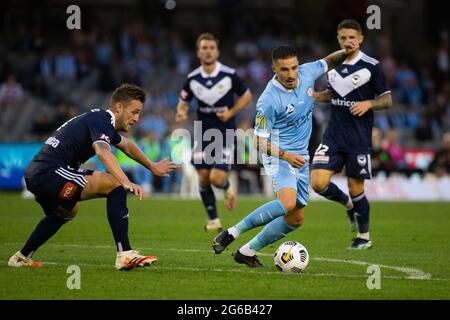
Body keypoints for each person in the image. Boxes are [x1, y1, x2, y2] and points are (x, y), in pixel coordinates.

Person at [212, 42, 359, 268]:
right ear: (274, 69)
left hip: (300, 155)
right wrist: (286, 156)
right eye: (284, 69)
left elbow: (329, 61)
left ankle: (247, 251)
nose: (291, 74)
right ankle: (231, 233)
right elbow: (259, 141)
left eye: (294, 68)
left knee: (295, 218)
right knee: (286, 202)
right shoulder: (267, 101)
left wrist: (348, 51)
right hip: (277, 153)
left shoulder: (308, 72)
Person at [8, 84, 178, 270]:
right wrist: (125, 181)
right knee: (114, 185)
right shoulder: (101, 119)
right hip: (49, 173)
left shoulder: (102, 122)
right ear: (119, 107)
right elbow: (103, 153)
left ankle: (22, 257)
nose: (137, 119)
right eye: (134, 112)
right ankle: (125, 254)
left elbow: (127, 145)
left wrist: (152, 166)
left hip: (39, 174)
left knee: (67, 211)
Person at [311, 19, 392, 250]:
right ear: (338, 39)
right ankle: (347, 204)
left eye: (352, 37)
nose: (348, 41)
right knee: (317, 183)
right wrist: (317, 96)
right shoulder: (333, 65)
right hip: (333, 136)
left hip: (358, 139)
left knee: (356, 188)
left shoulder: (372, 65)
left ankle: (364, 237)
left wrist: (369, 103)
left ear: (361, 39)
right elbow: (332, 94)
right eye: (343, 38)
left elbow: (387, 99)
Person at [175, 33, 253, 232]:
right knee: (202, 177)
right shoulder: (192, 79)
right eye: (204, 48)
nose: (208, 51)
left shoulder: (229, 74)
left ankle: (227, 188)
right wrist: (181, 111)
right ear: (198, 52)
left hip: (224, 132)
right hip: (203, 133)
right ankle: (214, 220)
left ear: (217, 51)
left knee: (216, 179)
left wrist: (232, 112)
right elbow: (183, 101)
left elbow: (247, 96)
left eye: (211, 47)